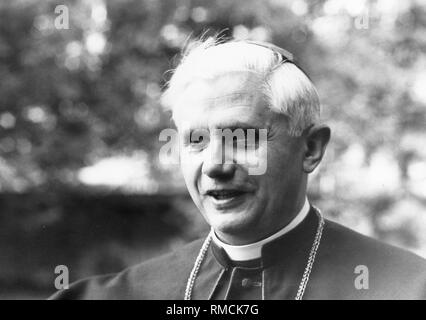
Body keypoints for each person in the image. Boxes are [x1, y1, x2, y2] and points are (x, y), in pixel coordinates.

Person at [50, 38, 426, 300]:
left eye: (243, 138)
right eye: (196, 140)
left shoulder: (407, 289)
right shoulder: (112, 296)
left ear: (310, 149)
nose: (215, 165)